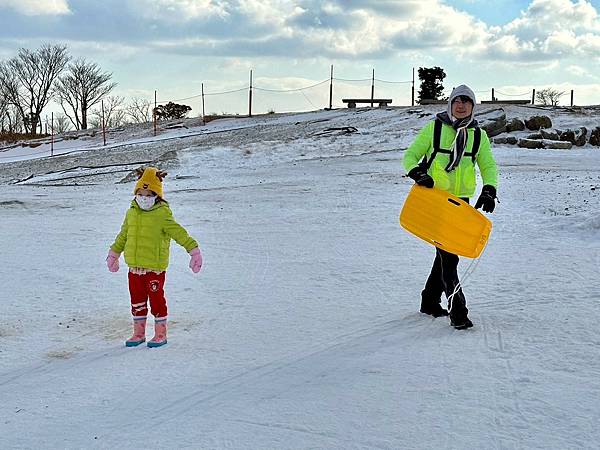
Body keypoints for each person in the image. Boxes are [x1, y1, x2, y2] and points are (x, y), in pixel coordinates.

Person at [403, 85, 498, 329]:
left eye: (467, 101)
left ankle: (429, 301)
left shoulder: (478, 135)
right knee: (449, 258)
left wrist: (489, 189)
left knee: (444, 255)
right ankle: (459, 312)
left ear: (473, 107)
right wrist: (417, 173)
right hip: (435, 200)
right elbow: (411, 155)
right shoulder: (434, 128)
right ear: (450, 104)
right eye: (458, 100)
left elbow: (488, 165)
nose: (461, 105)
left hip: (461, 204)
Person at [106, 167, 203, 347]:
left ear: (157, 195)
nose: (144, 198)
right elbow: (123, 235)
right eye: (141, 193)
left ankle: (160, 334)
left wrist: (193, 250)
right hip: (134, 268)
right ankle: (138, 333)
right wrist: (114, 253)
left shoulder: (162, 214)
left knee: (157, 300)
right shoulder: (131, 212)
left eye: (149, 194)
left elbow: (179, 233)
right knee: (136, 300)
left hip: (154, 269)